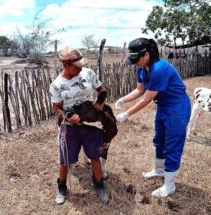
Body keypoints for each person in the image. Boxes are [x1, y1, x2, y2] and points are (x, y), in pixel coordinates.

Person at [115, 38, 191, 197]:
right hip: (163, 106)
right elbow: (140, 90)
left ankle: (169, 186)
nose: (135, 64)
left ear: (147, 54)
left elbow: (147, 99)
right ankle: (158, 170)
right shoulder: (142, 67)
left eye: (137, 60)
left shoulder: (159, 69)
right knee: (159, 139)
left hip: (177, 106)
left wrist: (127, 114)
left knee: (172, 145)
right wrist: (123, 99)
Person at [50, 47, 108, 204]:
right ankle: (62, 187)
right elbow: (57, 108)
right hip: (70, 128)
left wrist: (100, 103)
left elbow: (101, 89)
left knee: (95, 156)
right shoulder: (57, 85)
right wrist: (68, 117)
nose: (81, 68)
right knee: (65, 160)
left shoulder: (88, 73)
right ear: (66, 65)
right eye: (77, 66)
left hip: (91, 123)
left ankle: (99, 184)